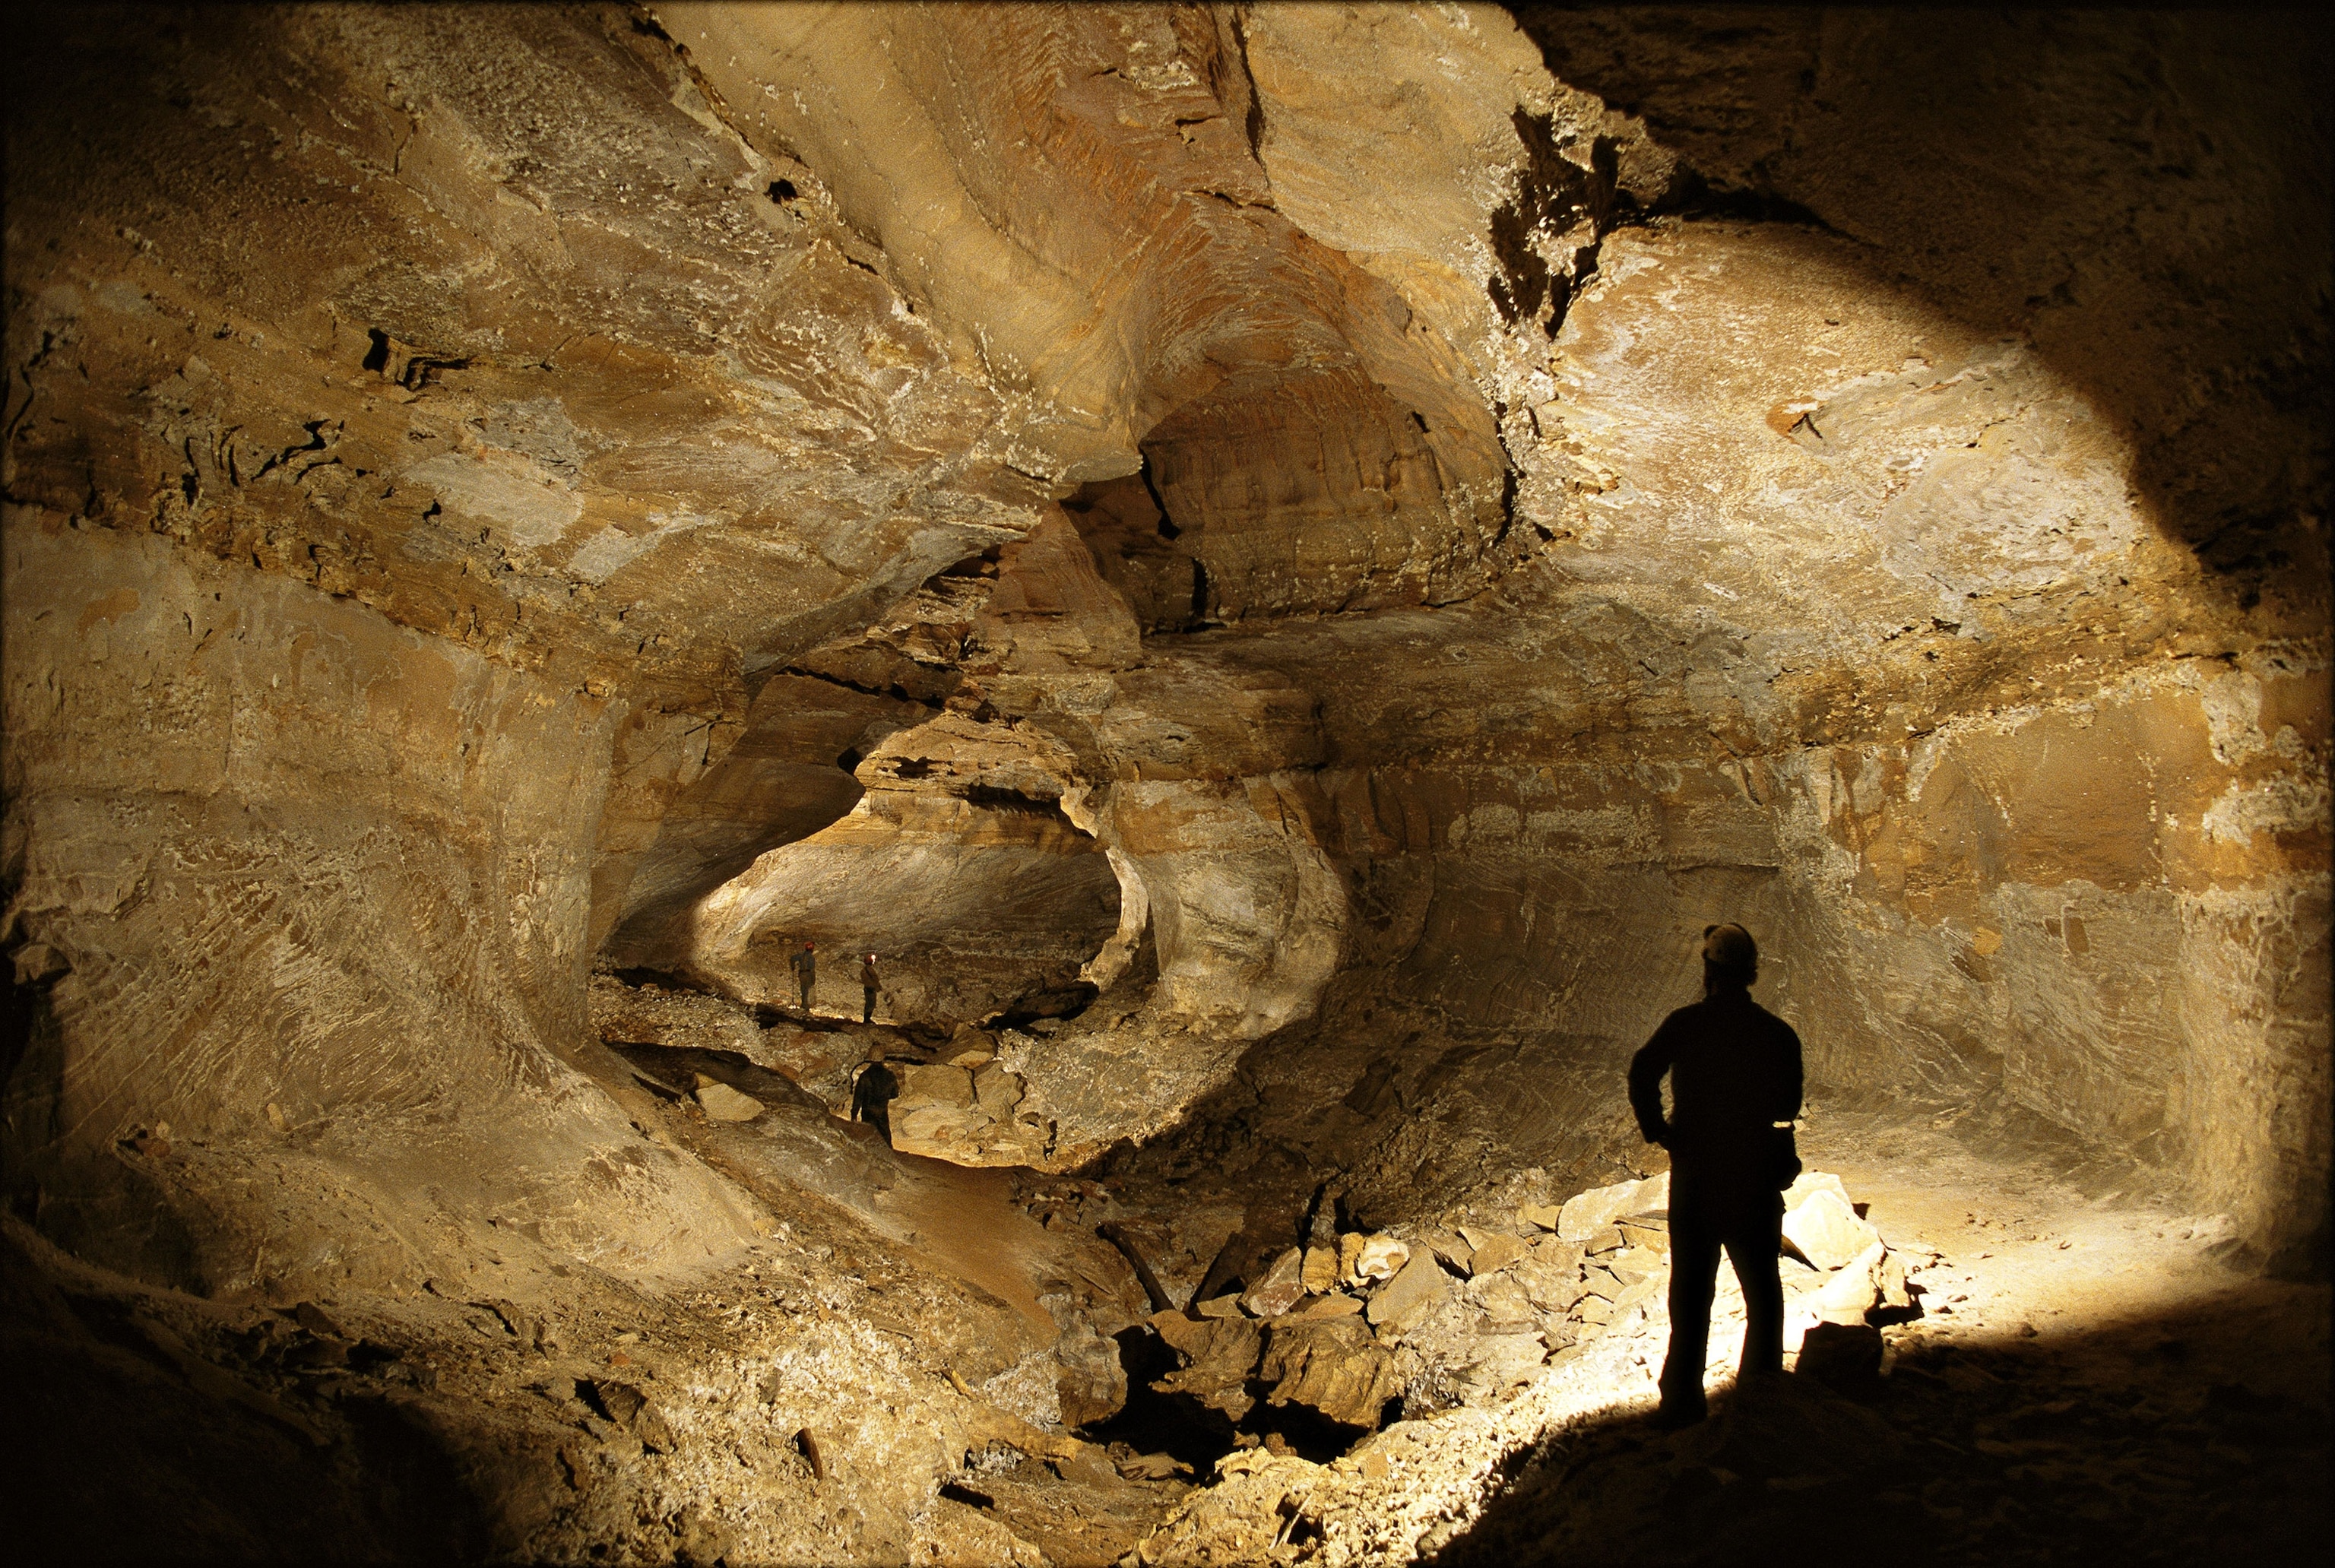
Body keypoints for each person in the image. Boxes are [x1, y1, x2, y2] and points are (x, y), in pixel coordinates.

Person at [1627, 922, 1804, 1429]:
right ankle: (1761, 1399)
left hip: (1697, 1178)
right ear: (1751, 974)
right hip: (1751, 1177)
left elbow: (1642, 1072)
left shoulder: (1686, 1025)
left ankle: (1682, 1403)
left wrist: (1660, 1132)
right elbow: (1787, 1105)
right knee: (1764, 1295)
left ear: (1708, 971)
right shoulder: (1776, 1034)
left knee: (1690, 1296)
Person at [850, 1051, 901, 1141]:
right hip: (882, 1110)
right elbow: (895, 1094)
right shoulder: (889, 1075)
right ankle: (888, 1154)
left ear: (870, 1059)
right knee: (885, 1138)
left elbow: (858, 1097)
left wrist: (854, 1113)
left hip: (868, 1112)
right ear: (882, 1059)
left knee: (868, 1137)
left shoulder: (865, 1076)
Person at [789, 940, 816, 1013]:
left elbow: (793, 958)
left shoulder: (801, 955)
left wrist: (793, 967)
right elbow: (812, 969)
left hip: (801, 974)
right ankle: (805, 1006)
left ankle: (803, 1005)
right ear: (812, 949)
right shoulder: (811, 957)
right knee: (807, 990)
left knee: (803, 989)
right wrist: (813, 979)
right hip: (808, 974)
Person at [859, 952, 881, 1025]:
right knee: (871, 1004)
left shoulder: (863, 971)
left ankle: (866, 1019)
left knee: (868, 1003)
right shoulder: (870, 970)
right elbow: (875, 979)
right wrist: (878, 987)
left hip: (867, 988)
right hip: (871, 989)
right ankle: (867, 1019)